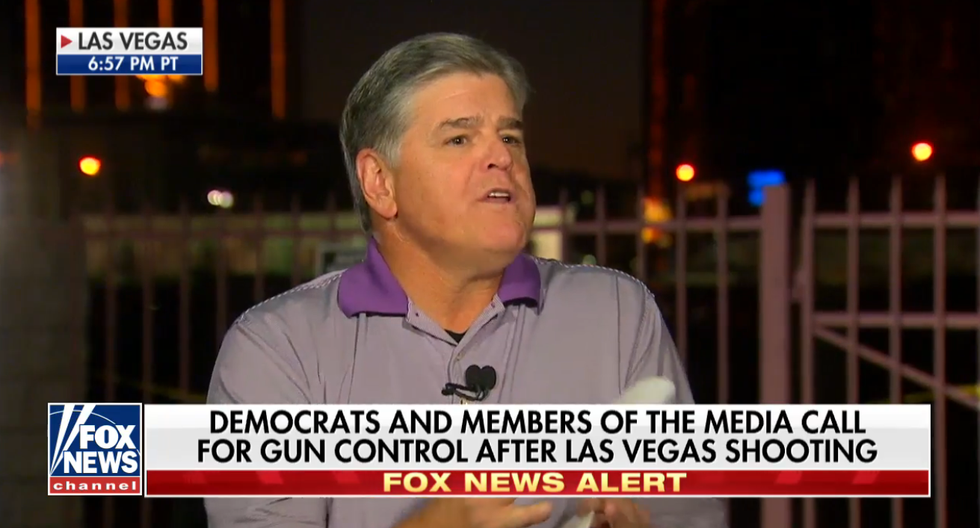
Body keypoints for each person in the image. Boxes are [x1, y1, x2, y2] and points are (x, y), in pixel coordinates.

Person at [205, 33, 727, 528]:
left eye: (510, 136)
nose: (502, 157)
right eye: (459, 138)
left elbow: (692, 514)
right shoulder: (277, 349)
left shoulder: (617, 314)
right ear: (380, 182)